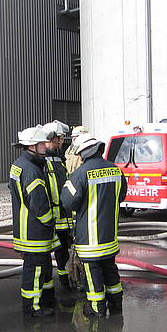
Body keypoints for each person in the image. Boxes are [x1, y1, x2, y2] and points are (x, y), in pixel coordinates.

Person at [60, 133, 127, 318]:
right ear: (99, 149)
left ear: (82, 153)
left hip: (89, 238)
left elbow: (67, 202)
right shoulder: (115, 170)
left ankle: (97, 308)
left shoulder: (80, 174)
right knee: (110, 269)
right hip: (109, 236)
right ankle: (116, 303)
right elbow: (121, 195)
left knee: (92, 273)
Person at [9, 125, 60, 317]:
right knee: (35, 270)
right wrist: (51, 222)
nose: (46, 146)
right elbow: (39, 206)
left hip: (26, 228)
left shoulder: (19, 164)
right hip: (34, 232)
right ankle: (32, 307)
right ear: (32, 146)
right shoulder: (32, 171)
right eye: (42, 144)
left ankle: (46, 299)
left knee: (42, 267)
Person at [43, 120, 75, 290]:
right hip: (50, 217)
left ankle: (65, 281)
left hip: (63, 216)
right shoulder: (42, 161)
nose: (62, 142)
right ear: (52, 138)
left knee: (63, 250)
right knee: (47, 252)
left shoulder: (59, 159)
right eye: (60, 139)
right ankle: (48, 288)